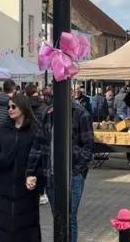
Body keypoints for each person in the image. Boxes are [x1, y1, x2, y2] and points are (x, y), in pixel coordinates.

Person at [26, 100, 94, 242]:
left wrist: (77, 171)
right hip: (51, 176)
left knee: (69, 217)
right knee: (57, 216)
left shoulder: (81, 114)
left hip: (73, 176)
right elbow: (39, 143)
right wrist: (30, 171)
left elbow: (89, 146)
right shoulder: (48, 113)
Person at [0, 93, 41, 241]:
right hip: (4, 187)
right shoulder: (3, 130)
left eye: (13, 106)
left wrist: (35, 176)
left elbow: (39, 157)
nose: (10, 110)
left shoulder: (34, 130)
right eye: (8, 107)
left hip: (26, 188)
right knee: (3, 226)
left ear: (23, 108)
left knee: (26, 227)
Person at [25, 84, 49, 205]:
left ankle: (29, 189)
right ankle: (41, 193)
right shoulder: (44, 106)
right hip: (41, 139)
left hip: (28, 138)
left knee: (29, 166)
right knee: (40, 168)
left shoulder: (24, 106)